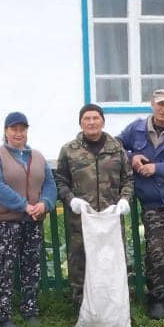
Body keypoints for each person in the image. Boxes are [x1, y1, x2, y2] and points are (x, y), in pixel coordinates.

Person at [116, 90, 164, 320]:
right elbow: (115, 145)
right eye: (160, 104)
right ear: (152, 104)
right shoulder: (135, 129)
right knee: (155, 251)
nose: (163, 109)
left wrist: (156, 168)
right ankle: (157, 299)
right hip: (151, 203)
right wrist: (131, 156)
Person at [0, 112, 57, 327]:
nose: (18, 133)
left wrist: (44, 203)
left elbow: (50, 185)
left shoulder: (38, 156)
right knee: (4, 268)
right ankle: (2, 315)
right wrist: (23, 205)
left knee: (32, 267)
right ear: (5, 131)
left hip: (33, 220)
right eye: (13, 129)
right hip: (7, 221)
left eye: (22, 129)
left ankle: (29, 310)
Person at [54, 103, 134, 307]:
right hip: (81, 218)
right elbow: (60, 181)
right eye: (86, 119)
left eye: (95, 118)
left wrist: (125, 199)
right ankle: (82, 307)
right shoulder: (69, 150)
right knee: (80, 260)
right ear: (80, 123)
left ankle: (112, 306)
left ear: (102, 121)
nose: (91, 122)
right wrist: (70, 199)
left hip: (110, 218)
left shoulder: (116, 148)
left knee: (111, 260)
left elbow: (128, 179)